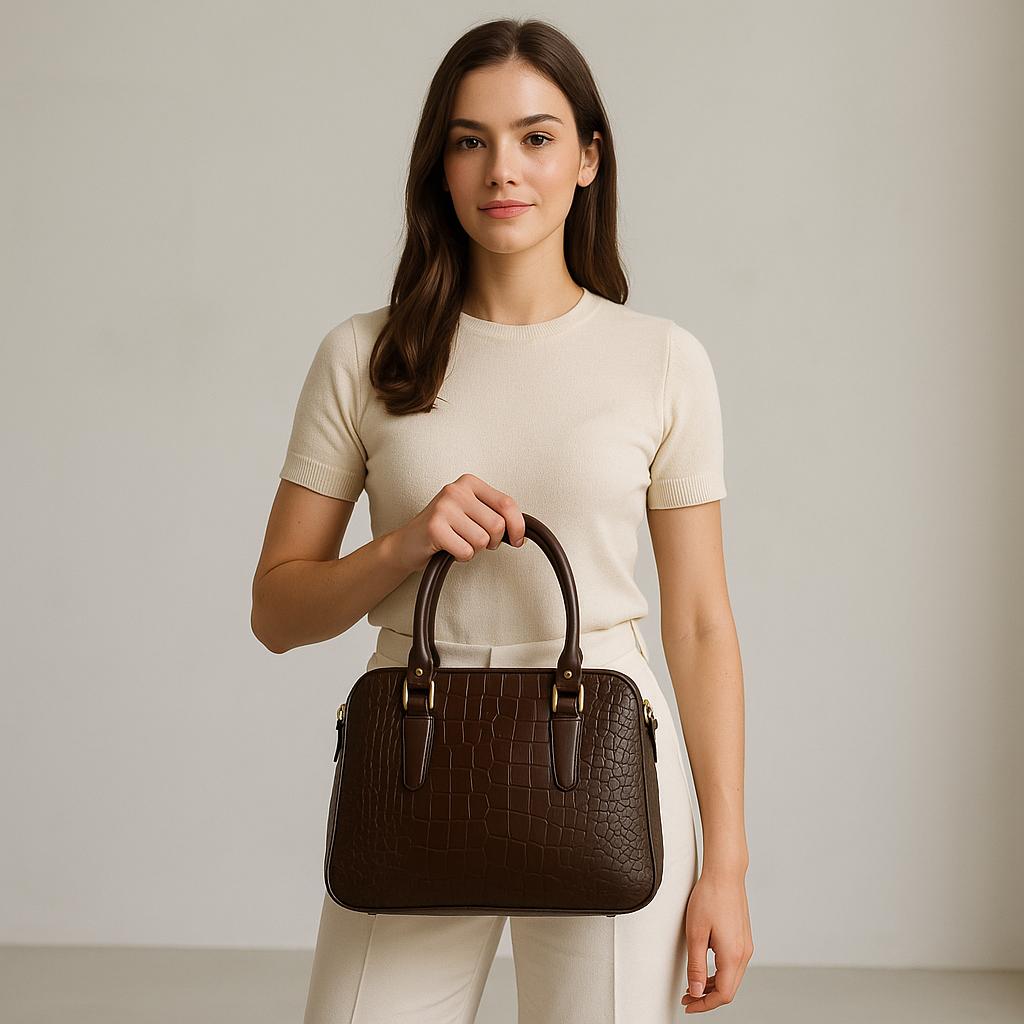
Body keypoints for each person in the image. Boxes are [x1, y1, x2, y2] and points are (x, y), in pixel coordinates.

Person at [251, 17, 752, 1022]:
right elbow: (278, 611)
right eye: (469, 139)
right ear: (439, 164)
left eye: (535, 136)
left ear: (587, 159)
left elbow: (698, 623)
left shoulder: (660, 359)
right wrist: (404, 543)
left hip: (604, 759)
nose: (502, 169)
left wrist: (727, 867)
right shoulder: (365, 356)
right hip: (417, 757)